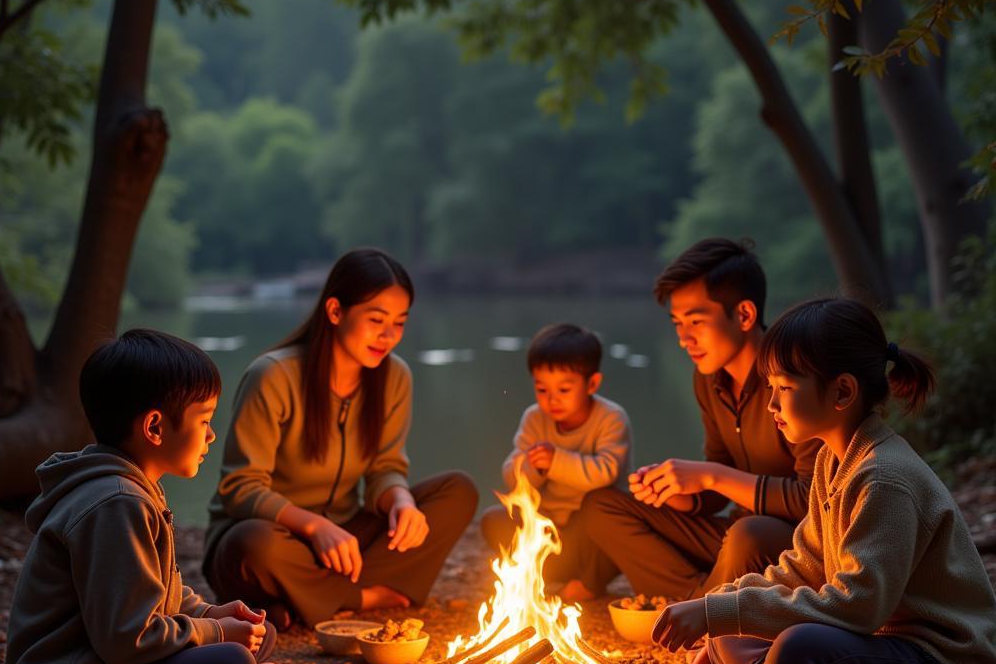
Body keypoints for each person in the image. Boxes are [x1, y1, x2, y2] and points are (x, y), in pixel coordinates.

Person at [652, 297, 996, 664]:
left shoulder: (884, 478)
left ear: (842, 392)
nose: (771, 402)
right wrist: (718, 608)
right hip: (872, 649)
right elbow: (803, 566)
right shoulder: (833, 463)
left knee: (796, 650)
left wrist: (720, 613)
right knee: (729, 637)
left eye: (784, 387)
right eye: (769, 386)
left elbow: (858, 606)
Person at [5, 330, 286, 664]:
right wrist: (217, 633)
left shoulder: (132, 487)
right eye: (204, 420)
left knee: (262, 636)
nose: (211, 435)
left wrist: (210, 615)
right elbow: (127, 638)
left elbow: (152, 591)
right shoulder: (116, 503)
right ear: (155, 426)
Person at [203, 248, 478, 629]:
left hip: (345, 540)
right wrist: (315, 528)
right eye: (376, 319)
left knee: (458, 491)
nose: (388, 335)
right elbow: (240, 487)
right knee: (253, 546)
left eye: (399, 323)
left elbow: (386, 468)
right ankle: (360, 597)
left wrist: (401, 501)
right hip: (274, 536)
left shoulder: (394, 377)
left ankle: (296, 602)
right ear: (335, 312)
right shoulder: (273, 376)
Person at [580, 238, 819, 600]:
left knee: (747, 535)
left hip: (794, 546)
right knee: (601, 506)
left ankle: (700, 609)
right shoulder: (709, 378)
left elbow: (811, 499)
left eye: (695, 321)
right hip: (733, 535)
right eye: (677, 323)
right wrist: (680, 492)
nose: (684, 339)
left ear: (744, 315)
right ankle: (702, 601)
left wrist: (710, 476)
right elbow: (719, 474)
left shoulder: (791, 378)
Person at [481, 323, 631, 601]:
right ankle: (537, 574)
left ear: (592, 383)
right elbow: (511, 476)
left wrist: (556, 462)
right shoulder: (534, 418)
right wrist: (534, 468)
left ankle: (589, 583)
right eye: (542, 389)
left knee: (609, 522)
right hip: (549, 527)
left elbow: (606, 472)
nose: (552, 400)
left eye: (563, 389)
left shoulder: (611, 417)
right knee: (494, 520)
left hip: (591, 533)